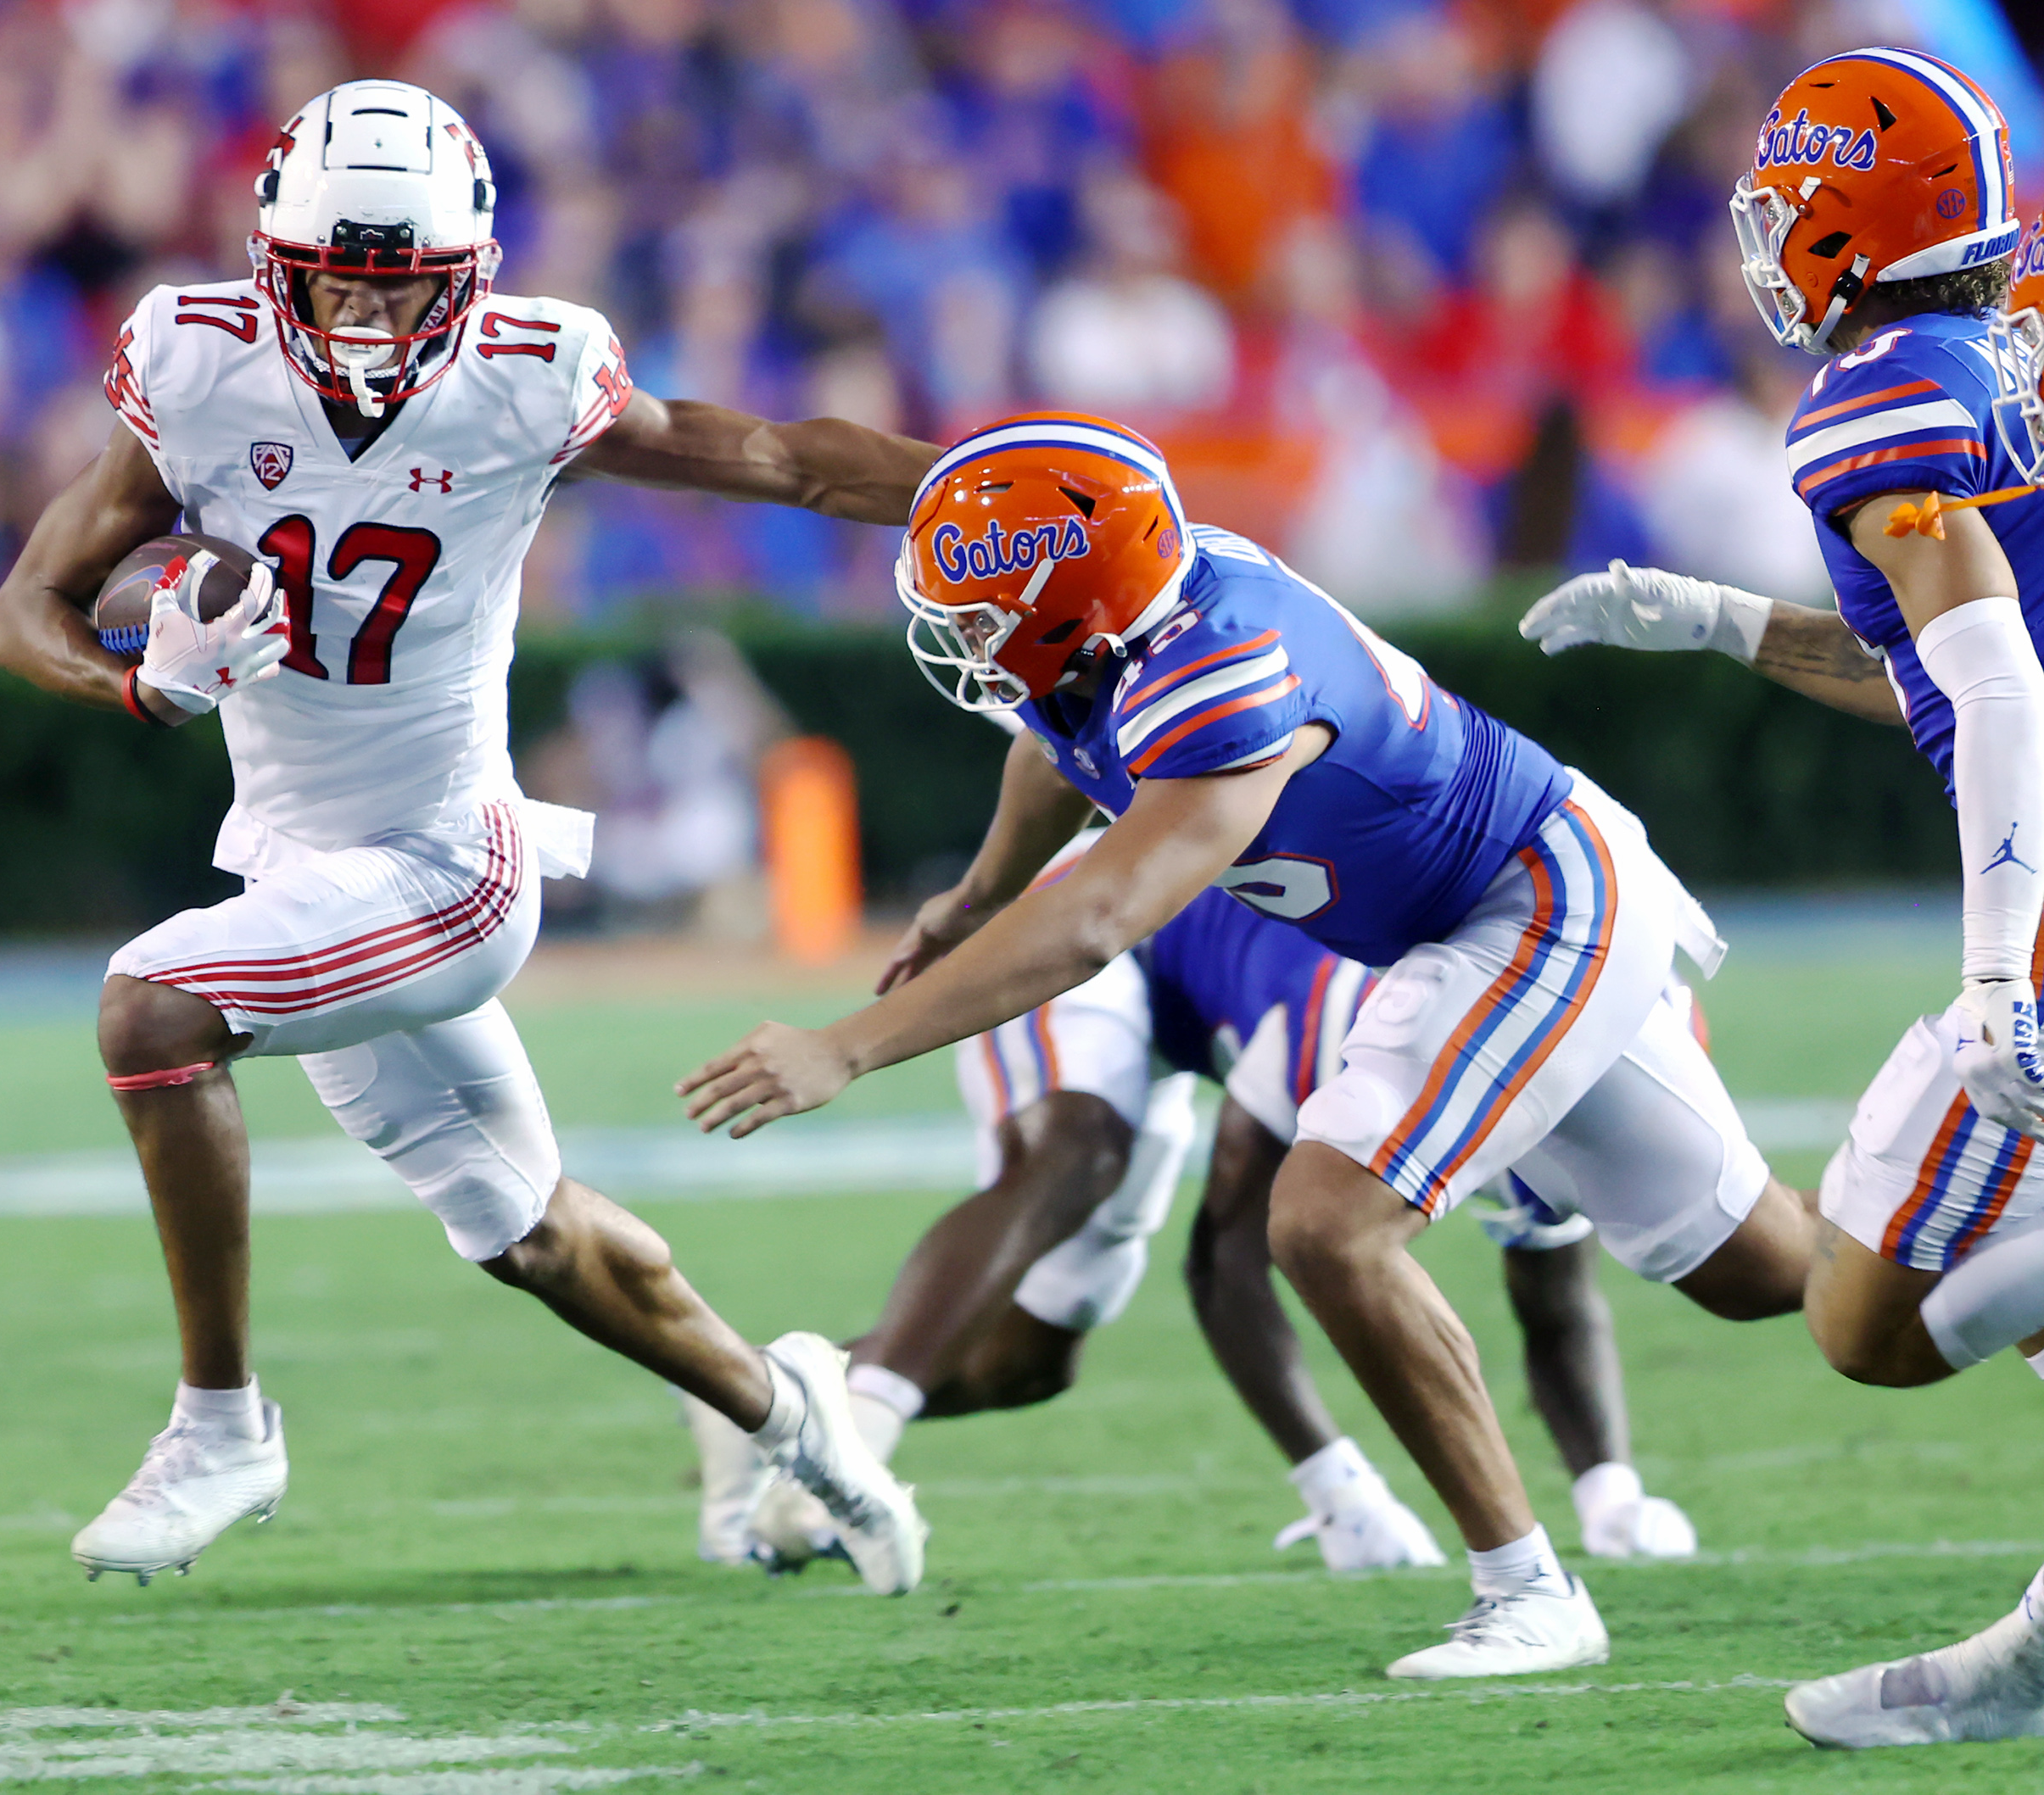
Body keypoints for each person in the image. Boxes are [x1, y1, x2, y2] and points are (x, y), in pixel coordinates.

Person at [0, 81, 939, 1596]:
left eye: (401, 280)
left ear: (471, 278)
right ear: (273, 263)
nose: (364, 313)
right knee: (534, 1236)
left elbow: (768, 456)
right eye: (336, 277)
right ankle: (803, 1423)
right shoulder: (201, 359)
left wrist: (976, 488)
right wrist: (139, 686)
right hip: (307, 874)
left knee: (153, 1007)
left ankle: (222, 1424)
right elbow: (26, 604)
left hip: (449, 863)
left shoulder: (528, 376)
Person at [677, 410, 1817, 1678]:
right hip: (1465, 920)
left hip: (1532, 903)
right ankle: (1996, 1238)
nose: (958, 636)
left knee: (1325, 1221)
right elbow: (1058, 745)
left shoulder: (1228, 671)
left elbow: (1099, 917)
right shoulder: (1129, 615)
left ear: (1079, 615)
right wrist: (981, 892)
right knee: (1778, 1271)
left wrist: (848, 1045)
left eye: (987, 615)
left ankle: (1532, 1594)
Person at [1514, 53, 2044, 1748]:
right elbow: (1950, 665)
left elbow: (1995, 678)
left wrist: (1996, 960)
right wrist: (1728, 625)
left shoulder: (1885, 386)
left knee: (1866, 1312)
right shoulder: (2000, 346)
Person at [688, 855, 1700, 1574]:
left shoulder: (1568, 1066)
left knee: (1028, 1362)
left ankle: (763, 1399)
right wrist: (1336, 1486)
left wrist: (1611, 1493)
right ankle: (857, 1433)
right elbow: (1226, 1261)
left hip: (1195, 1001)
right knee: (1078, 1153)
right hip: (1104, 934)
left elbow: (1557, 1298)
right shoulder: (1363, 1031)